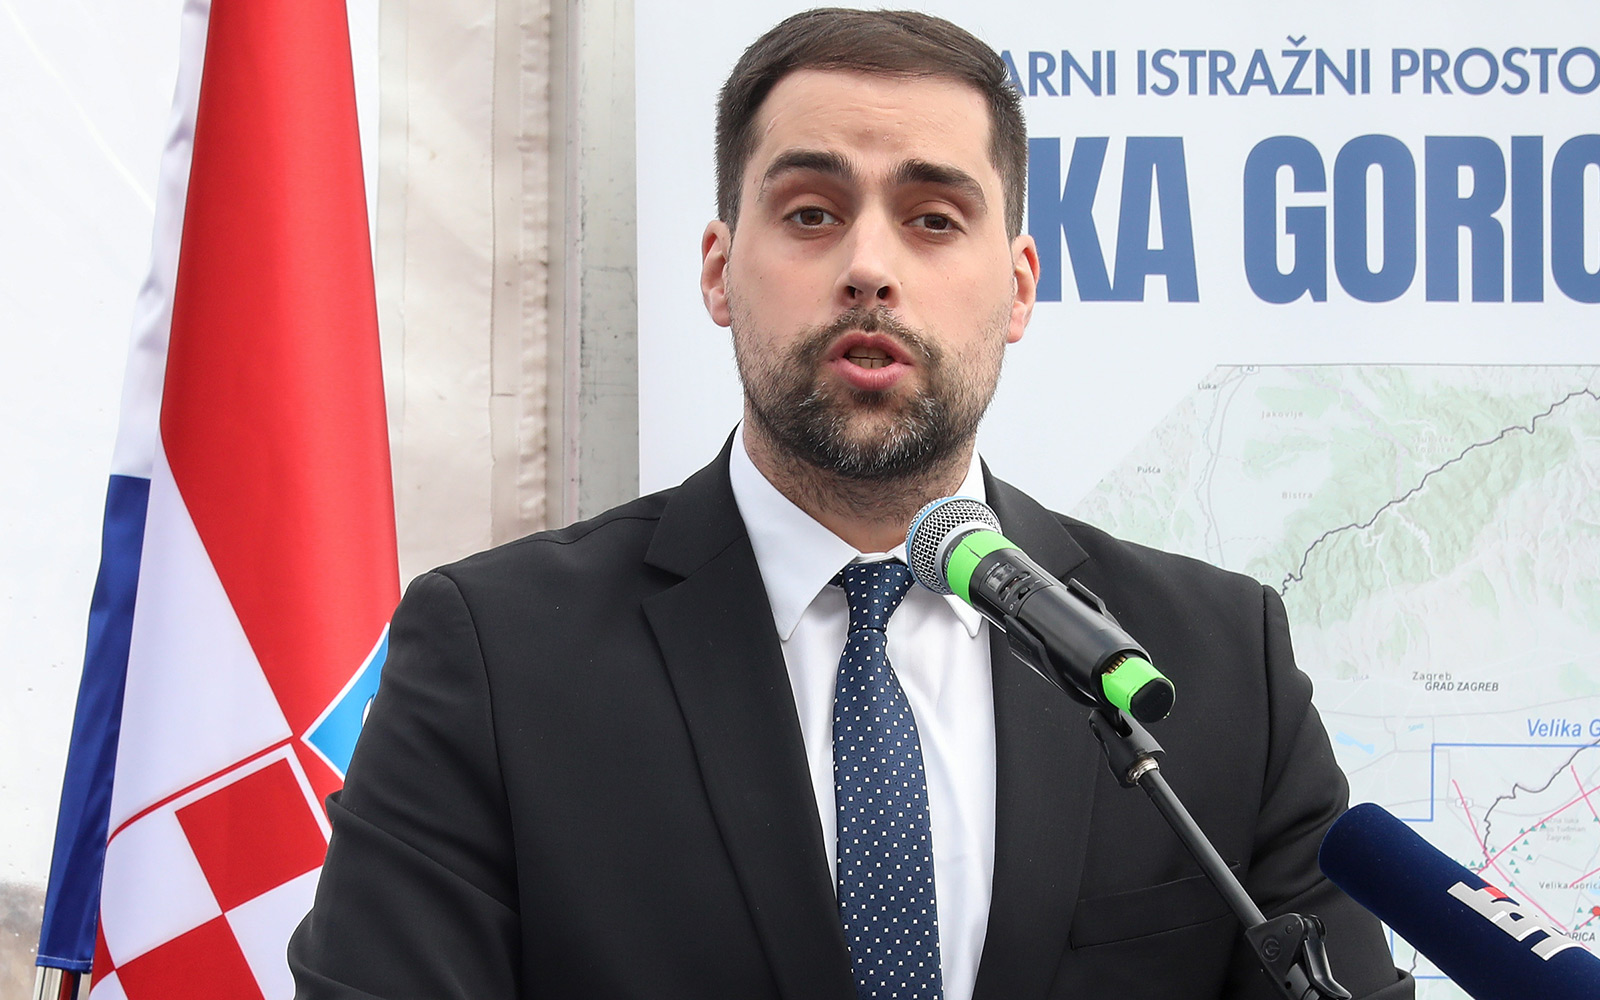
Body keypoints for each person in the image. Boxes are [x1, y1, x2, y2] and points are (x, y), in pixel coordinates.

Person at [290, 9, 1413, 999]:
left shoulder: (1215, 666)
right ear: (719, 270)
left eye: (934, 219)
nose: (870, 265)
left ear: (1018, 287)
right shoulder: (497, 656)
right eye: (812, 212)